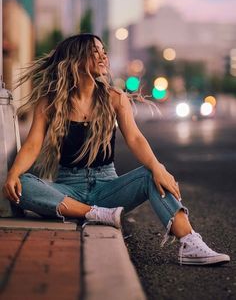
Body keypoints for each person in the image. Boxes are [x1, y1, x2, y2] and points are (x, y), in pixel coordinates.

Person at [2, 33, 230, 266]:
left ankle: (190, 243)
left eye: (104, 52)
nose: (103, 57)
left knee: (152, 175)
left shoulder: (114, 98)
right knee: (24, 184)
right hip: (69, 188)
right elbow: (32, 145)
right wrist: (13, 175)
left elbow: (135, 138)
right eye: (94, 52)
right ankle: (92, 213)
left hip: (108, 188)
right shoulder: (50, 101)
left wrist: (158, 167)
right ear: (75, 59)